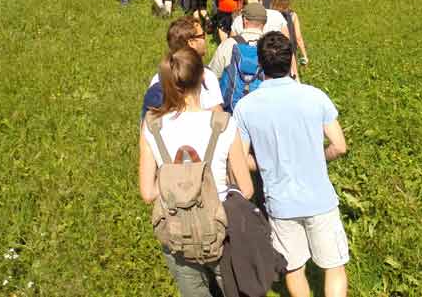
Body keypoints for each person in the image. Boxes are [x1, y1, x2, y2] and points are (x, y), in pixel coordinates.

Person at [234, 33, 350, 297]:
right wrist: (315, 156)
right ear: (291, 61)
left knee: (293, 268)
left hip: (280, 203)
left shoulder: (245, 107)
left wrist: (265, 163)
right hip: (320, 198)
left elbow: (240, 160)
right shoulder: (315, 96)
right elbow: (340, 146)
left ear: (261, 64)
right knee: (334, 267)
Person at [139, 47, 254, 297]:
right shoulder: (223, 124)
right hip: (221, 227)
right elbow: (246, 189)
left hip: (177, 231)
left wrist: (177, 182)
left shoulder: (152, 126)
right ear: (203, 77)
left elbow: (148, 193)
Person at [141, 16, 224, 120]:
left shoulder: (159, 78)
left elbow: (148, 122)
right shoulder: (206, 76)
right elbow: (218, 117)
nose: (205, 39)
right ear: (191, 43)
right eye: (202, 36)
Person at [209, 2, 268, 112]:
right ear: (264, 23)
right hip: (261, 111)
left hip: (231, 110)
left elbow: (212, 76)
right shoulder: (270, 46)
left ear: (244, 20)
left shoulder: (228, 44)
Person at [272, 0, 310, 77]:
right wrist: (304, 55)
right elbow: (298, 37)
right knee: (291, 73)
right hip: (289, 48)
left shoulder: (269, 14)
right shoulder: (292, 15)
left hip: (273, 48)